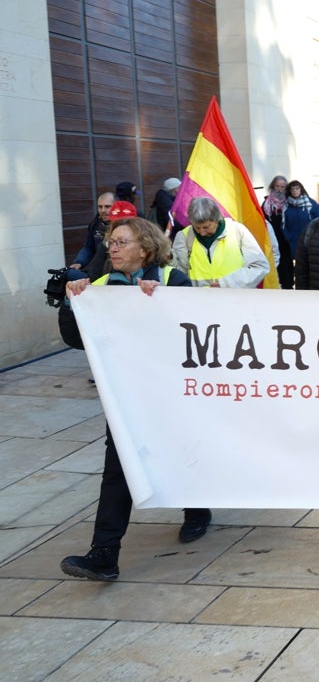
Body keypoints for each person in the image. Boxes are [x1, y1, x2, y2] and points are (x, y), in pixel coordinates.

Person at [58, 217, 204, 581]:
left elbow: (194, 333)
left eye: (123, 241)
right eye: (111, 241)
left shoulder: (172, 280)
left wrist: (162, 303)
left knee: (182, 450)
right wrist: (70, 301)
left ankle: (197, 508)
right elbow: (76, 339)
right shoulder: (101, 286)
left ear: (146, 248)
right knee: (117, 468)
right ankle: (105, 552)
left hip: (171, 391)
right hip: (125, 394)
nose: (113, 247)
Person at [171, 197, 270, 289]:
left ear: (217, 219)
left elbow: (260, 267)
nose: (202, 232)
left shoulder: (237, 230)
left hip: (236, 300)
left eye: (206, 227)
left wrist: (226, 283)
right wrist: (170, 258)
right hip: (200, 302)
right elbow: (180, 273)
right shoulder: (184, 236)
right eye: (197, 227)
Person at [70, 192, 116, 280]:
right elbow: (88, 247)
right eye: (100, 206)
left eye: (107, 206)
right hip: (97, 271)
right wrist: (79, 262)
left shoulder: (123, 226)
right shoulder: (95, 225)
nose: (103, 210)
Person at [261, 175, 294, 288]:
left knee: (287, 265)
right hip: (272, 239)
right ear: (273, 186)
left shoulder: (290, 203)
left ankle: (288, 286)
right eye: (277, 186)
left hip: (286, 239)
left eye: (282, 187)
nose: (279, 189)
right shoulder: (266, 204)